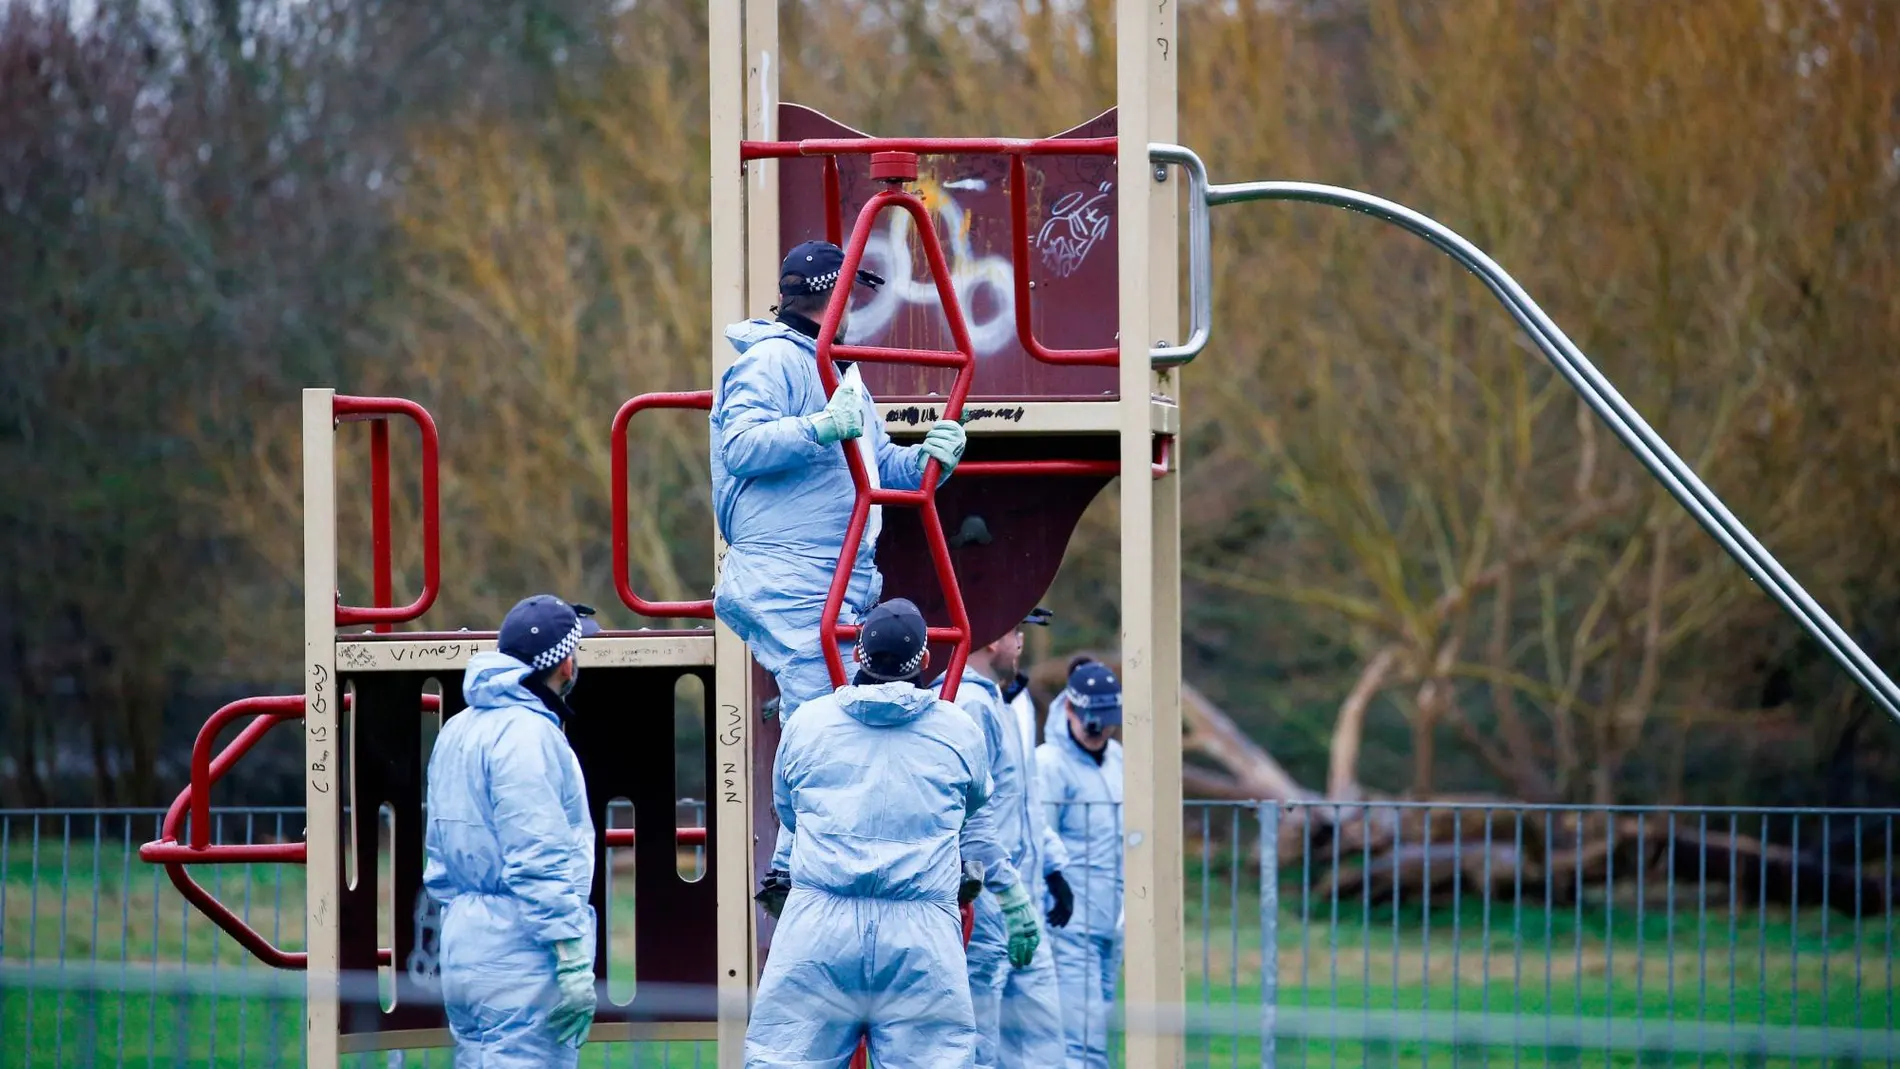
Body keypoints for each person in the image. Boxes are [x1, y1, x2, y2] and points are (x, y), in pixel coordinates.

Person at [711, 239, 968, 892]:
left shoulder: (839, 373)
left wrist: (932, 459)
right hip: (789, 573)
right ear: (835, 297)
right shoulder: (773, 361)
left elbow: (880, 468)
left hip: (832, 575)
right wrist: (821, 427)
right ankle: (791, 864)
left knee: (829, 712)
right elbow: (741, 446)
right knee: (821, 715)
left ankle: (811, 856)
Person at [745, 598, 1039, 1069]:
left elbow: (790, 812)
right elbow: (973, 813)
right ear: (925, 660)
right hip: (920, 938)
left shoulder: (808, 725)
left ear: (857, 654)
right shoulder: (958, 731)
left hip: (820, 927)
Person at [423, 595, 603, 1068]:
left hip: (464, 942)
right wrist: (569, 956)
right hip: (524, 950)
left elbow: (438, 855)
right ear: (565, 664)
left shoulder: (457, 730)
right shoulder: (531, 736)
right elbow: (537, 854)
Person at [931, 618, 1073, 1069]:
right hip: (993, 903)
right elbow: (973, 819)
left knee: (1041, 1045)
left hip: (1019, 897)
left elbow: (1021, 797)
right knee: (980, 1045)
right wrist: (1007, 897)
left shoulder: (1004, 702)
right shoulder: (970, 704)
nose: (1023, 641)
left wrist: (1052, 864)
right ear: (993, 639)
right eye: (1017, 630)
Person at [1037, 657, 1125, 1069]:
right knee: (1082, 1043)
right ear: (1069, 708)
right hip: (1069, 925)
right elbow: (1040, 842)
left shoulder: (1120, 761)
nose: (1099, 730)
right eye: (1091, 719)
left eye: (1106, 720)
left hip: (1114, 923)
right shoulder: (1049, 765)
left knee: (1099, 1032)